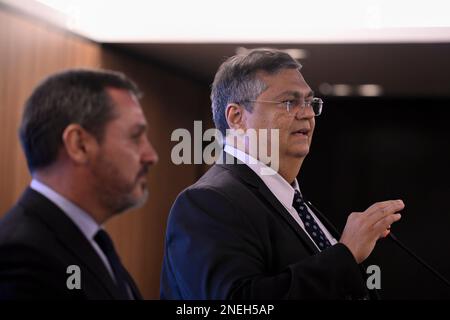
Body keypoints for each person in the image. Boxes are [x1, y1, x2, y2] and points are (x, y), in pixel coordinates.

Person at [160, 48, 404, 299]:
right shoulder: (208, 202)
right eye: (289, 102)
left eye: (310, 102)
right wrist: (346, 254)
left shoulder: (295, 203)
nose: (307, 113)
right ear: (237, 118)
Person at [0, 69, 158, 299]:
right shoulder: (21, 255)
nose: (151, 156)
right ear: (79, 145)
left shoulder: (91, 242)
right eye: (135, 137)